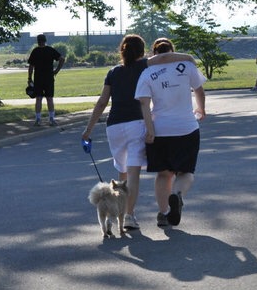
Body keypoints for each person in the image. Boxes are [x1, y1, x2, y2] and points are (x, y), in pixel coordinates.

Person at [82, 35, 194, 231]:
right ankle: (129, 215)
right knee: (133, 174)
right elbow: (165, 57)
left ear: (122, 50)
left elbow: (102, 102)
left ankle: (120, 211)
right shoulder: (144, 64)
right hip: (136, 124)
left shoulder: (113, 72)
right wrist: (188, 57)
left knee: (122, 172)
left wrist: (88, 130)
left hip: (114, 126)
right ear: (142, 51)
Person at [135, 38, 206, 228]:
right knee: (186, 172)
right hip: (186, 127)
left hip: (160, 129)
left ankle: (163, 212)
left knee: (163, 174)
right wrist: (201, 109)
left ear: (154, 52)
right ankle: (177, 194)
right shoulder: (186, 65)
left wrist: (149, 129)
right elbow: (199, 90)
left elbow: (144, 103)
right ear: (173, 50)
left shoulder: (147, 73)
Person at [28, 34, 64, 126]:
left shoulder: (35, 51)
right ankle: (51, 119)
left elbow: (31, 66)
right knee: (49, 98)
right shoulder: (50, 50)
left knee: (38, 99)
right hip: (49, 78)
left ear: (37, 41)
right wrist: (56, 71)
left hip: (38, 78)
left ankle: (38, 119)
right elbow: (62, 59)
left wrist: (29, 78)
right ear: (45, 40)